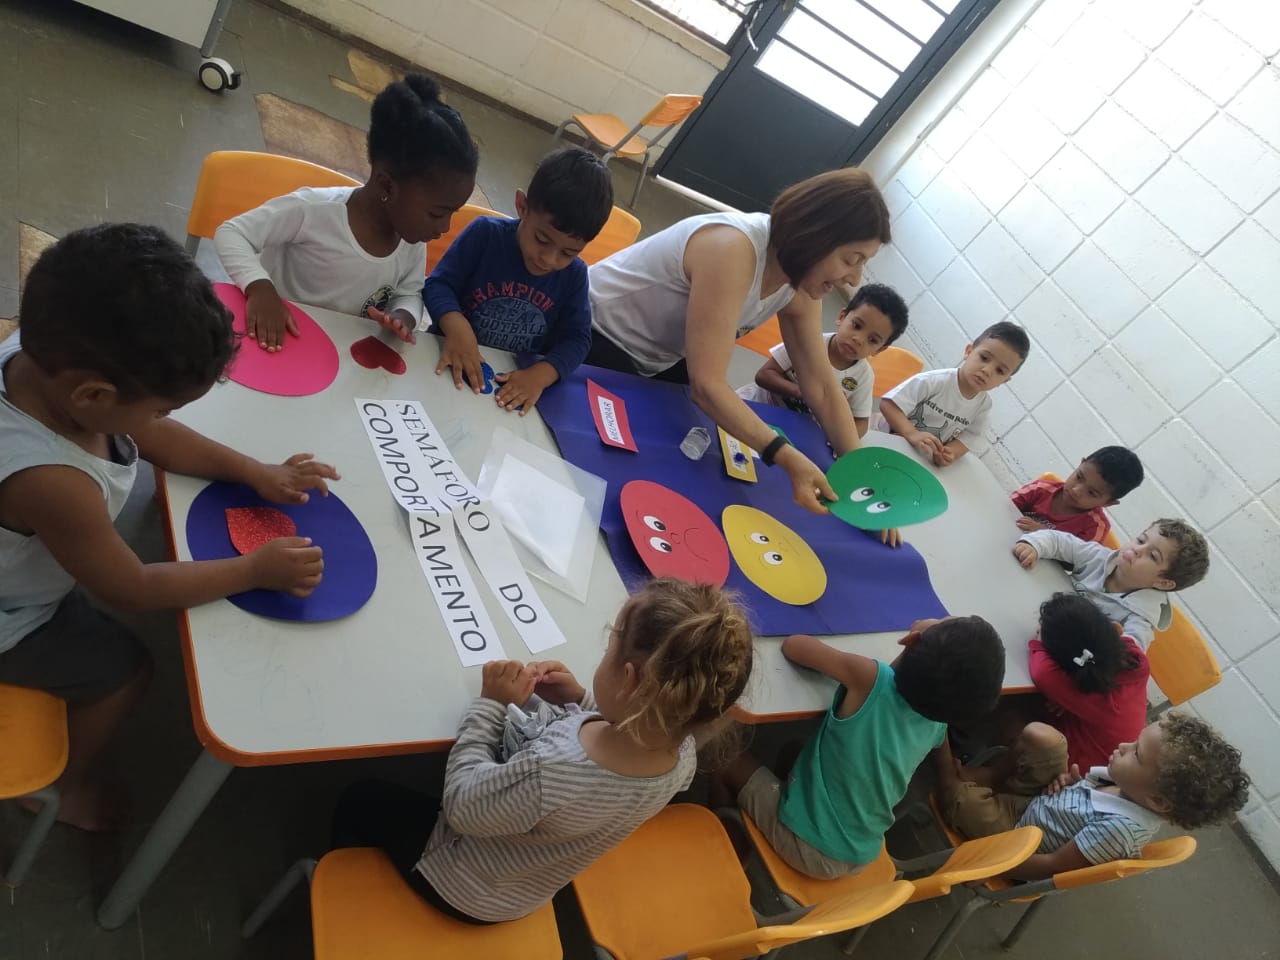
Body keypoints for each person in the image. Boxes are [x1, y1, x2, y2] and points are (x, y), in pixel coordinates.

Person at [0, 224, 337, 830]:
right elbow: (131, 587)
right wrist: (253, 570)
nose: (160, 419)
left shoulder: (43, 353)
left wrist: (253, 470)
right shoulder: (53, 481)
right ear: (93, 397)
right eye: (161, 405)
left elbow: (149, 432)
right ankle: (60, 789)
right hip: (12, 618)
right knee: (126, 670)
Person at [328, 578, 754, 922]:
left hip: (463, 889)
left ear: (629, 681)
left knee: (360, 797)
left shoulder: (551, 773)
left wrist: (491, 705)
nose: (605, 651)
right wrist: (581, 701)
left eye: (610, 645)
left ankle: (349, 891)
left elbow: (461, 804)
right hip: (528, 887)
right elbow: (631, 732)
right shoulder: (681, 757)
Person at [586, 168, 891, 517]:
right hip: (593, 331)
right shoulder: (733, 249)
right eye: (851, 259)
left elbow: (822, 388)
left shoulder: (799, 282)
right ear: (816, 235)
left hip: (656, 358)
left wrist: (862, 480)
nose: (854, 278)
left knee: (678, 456)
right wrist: (785, 455)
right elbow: (707, 385)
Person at [713, 617, 1004, 879]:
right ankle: (781, 804)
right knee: (794, 749)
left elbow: (794, 646)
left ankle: (730, 843)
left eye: (942, 621)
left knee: (722, 754)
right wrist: (949, 772)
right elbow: (941, 745)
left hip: (809, 847)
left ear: (911, 638)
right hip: (860, 852)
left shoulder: (870, 679)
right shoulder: (936, 721)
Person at [214, 73, 478, 351]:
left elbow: (410, 291)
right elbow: (232, 233)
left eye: (452, 213)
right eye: (437, 214)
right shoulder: (314, 211)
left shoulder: (412, 239)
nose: (445, 227)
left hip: (336, 352)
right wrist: (259, 288)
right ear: (387, 185)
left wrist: (404, 316)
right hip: (275, 336)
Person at [934, 713, 1250, 881]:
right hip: (1040, 804)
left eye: (1136, 754)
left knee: (963, 799)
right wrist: (1068, 783)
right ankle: (989, 777)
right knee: (1043, 737)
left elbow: (1052, 866)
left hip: (1018, 841)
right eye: (1134, 741)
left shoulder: (1119, 831)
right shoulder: (1126, 784)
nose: (1124, 746)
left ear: (1157, 801)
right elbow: (1078, 801)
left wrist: (999, 863)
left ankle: (941, 754)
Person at [424, 146, 613, 414]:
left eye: (568, 253)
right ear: (522, 206)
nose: (549, 259)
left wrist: (541, 374)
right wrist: (457, 327)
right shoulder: (485, 235)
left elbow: (578, 339)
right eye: (542, 239)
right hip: (448, 358)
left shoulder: (575, 274)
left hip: (513, 379)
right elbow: (438, 285)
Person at [737, 283, 908, 438]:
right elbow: (764, 375)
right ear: (842, 317)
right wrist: (803, 392)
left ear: (879, 350)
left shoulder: (863, 377)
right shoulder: (809, 341)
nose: (858, 339)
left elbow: (861, 423)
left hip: (798, 430)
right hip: (758, 405)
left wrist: (837, 439)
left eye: (872, 340)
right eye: (856, 326)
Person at [1013, 518, 1208, 648]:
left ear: (1163, 582)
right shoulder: (1099, 557)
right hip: (1028, 617)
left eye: (1152, 556)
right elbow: (1059, 541)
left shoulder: (1140, 619)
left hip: (1056, 650)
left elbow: (1126, 656)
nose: (1137, 549)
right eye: (1141, 540)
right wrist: (1035, 546)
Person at [879, 321, 1028, 467]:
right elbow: (888, 404)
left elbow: (970, 437)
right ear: (968, 351)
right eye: (984, 358)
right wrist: (912, 434)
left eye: (1000, 371)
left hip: (921, 460)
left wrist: (951, 452)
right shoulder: (935, 381)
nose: (987, 370)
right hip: (886, 441)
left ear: (1004, 380)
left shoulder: (983, 407)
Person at [1029, 593, 1149, 771]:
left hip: (1080, 771)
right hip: (1110, 753)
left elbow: (1042, 673)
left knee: (1014, 715)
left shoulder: (1094, 693)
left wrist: (1038, 643)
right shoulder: (1136, 660)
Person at [1012, 446, 1143, 544]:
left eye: (1091, 493)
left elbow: (1076, 561)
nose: (1076, 490)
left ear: (1108, 503)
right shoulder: (1041, 488)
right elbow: (1005, 506)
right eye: (1079, 477)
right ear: (1081, 464)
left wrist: (1046, 535)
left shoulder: (1095, 526)